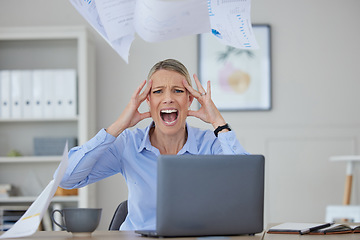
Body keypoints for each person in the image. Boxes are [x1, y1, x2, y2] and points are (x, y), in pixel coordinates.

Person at [58, 59, 248, 231]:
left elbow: (246, 186)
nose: (168, 99)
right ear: (147, 101)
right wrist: (118, 126)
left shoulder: (209, 144)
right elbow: (66, 179)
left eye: (178, 91)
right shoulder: (128, 143)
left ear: (190, 100)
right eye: (158, 91)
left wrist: (218, 122)